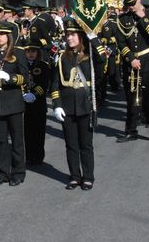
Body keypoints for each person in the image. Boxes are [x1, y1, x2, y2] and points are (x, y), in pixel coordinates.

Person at [52, 18, 104, 190]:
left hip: (84, 105)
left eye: (73, 35)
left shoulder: (89, 56)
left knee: (85, 144)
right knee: (71, 144)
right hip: (67, 106)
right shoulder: (62, 57)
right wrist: (56, 104)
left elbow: (102, 58)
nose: (69, 38)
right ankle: (74, 176)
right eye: (67, 35)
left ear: (81, 36)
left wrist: (92, 37)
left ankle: (88, 176)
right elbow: (55, 83)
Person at [116, 0, 149, 145]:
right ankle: (131, 130)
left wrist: (142, 16)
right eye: (128, 5)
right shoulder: (123, 19)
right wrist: (130, 58)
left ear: (139, 0)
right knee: (131, 100)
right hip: (132, 64)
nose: (130, 7)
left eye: (132, 4)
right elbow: (121, 42)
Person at [0, 21, 28, 186]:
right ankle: (2, 172)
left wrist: (10, 78)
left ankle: (18, 172)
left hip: (13, 102)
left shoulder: (18, 53)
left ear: (8, 36)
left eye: (1, 34)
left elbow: (25, 77)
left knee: (16, 140)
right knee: (1, 141)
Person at [22, 40, 51, 166]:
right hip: (24, 103)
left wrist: (34, 94)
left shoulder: (43, 66)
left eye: (33, 51)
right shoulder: (21, 65)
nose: (30, 54)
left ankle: (38, 156)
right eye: (28, 51)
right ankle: (28, 155)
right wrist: (23, 93)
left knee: (39, 131)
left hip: (38, 104)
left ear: (37, 52)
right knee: (26, 131)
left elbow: (44, 84)